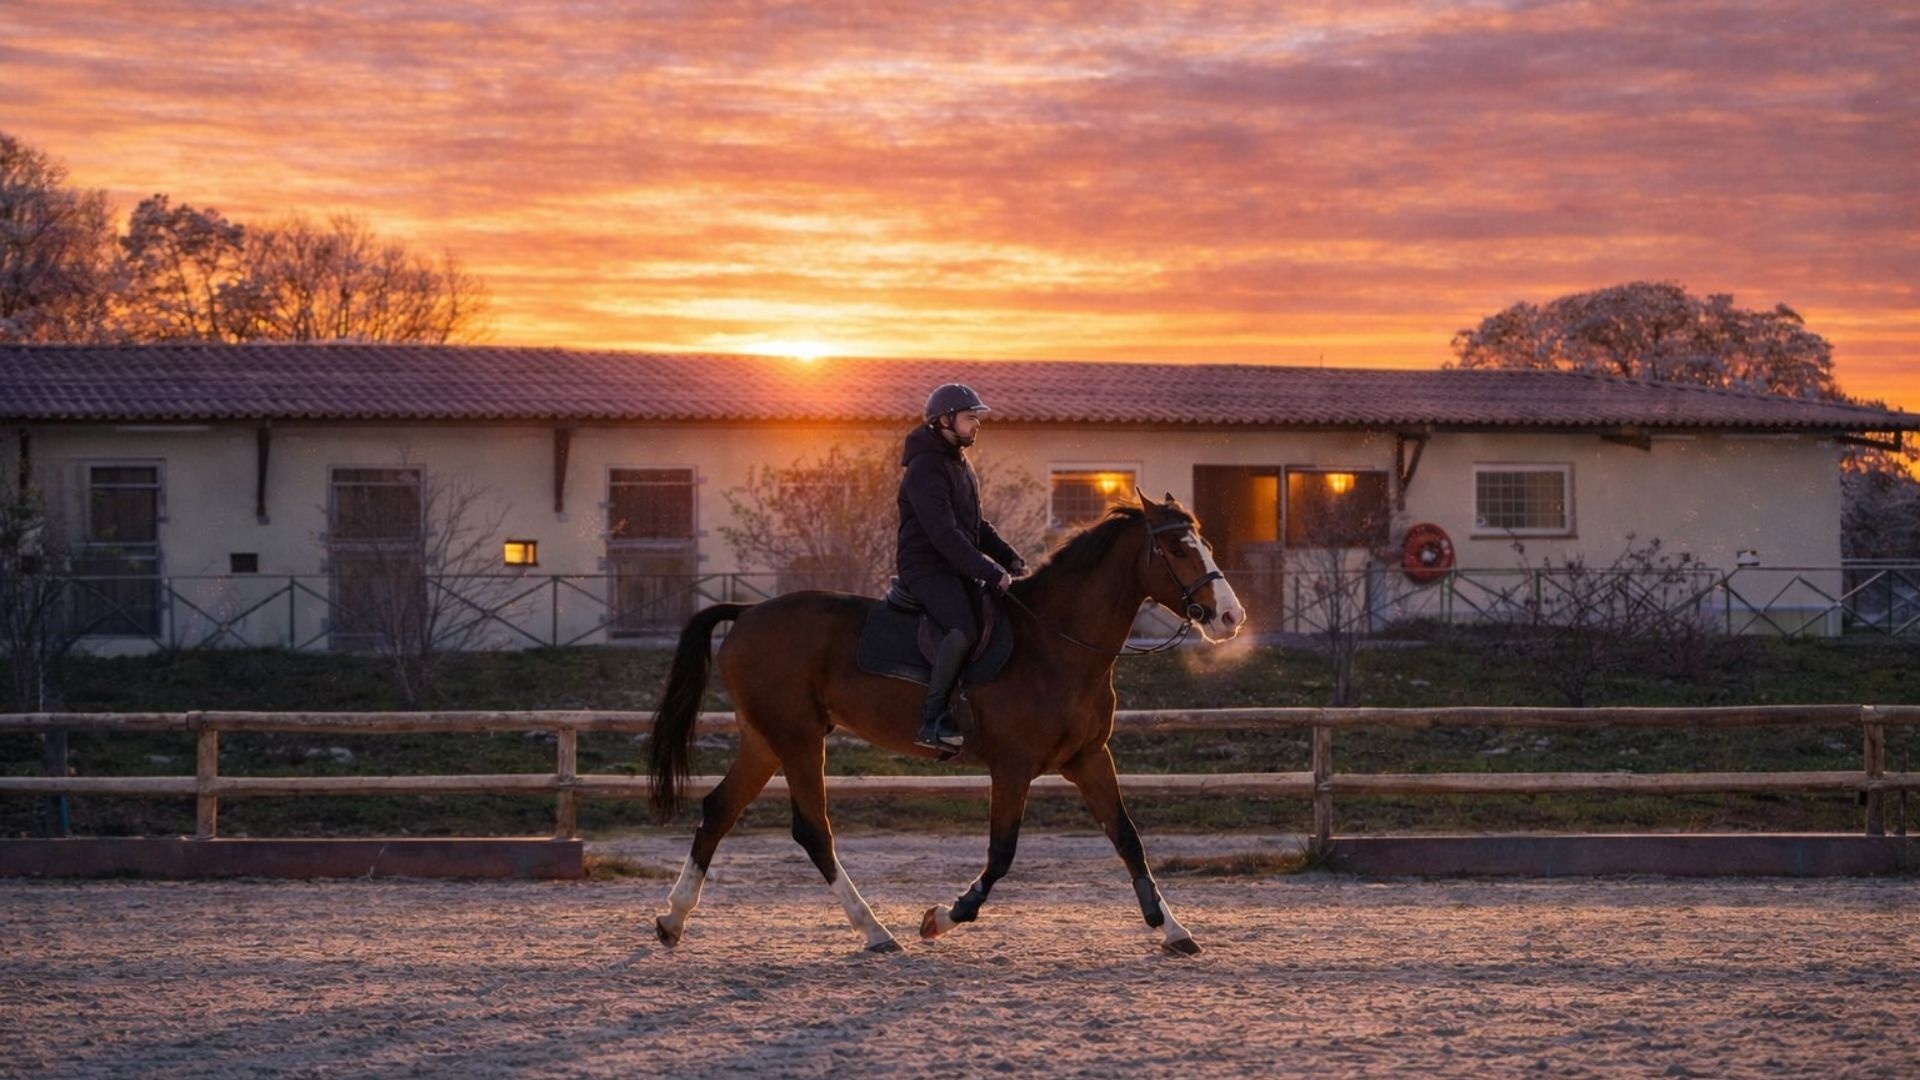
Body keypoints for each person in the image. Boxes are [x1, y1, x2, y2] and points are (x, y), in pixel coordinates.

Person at [897, 383, 1027, 751]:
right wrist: (989, 572)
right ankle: (933, 718)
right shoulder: (925, 468)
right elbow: (944, 534)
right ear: (944, 420)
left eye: (976, 418)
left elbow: (976, 527)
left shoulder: (959, 463)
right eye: (971, 418)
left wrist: (1010, 558)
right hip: (925, 567)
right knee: (963, 627)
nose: (977, 425)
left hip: (952, 565)